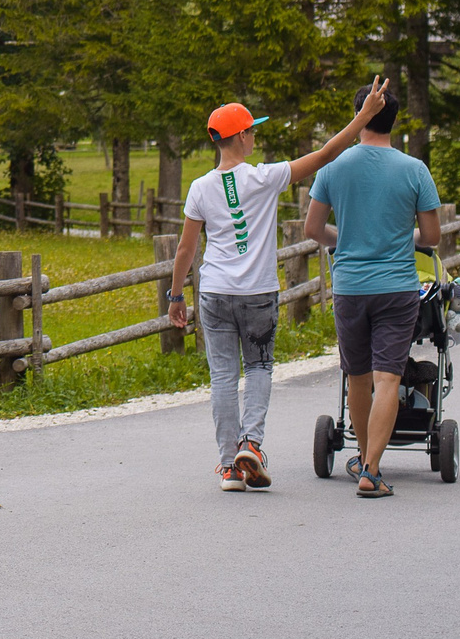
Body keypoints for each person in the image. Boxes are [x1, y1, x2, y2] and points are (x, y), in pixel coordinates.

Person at [167, 79, 392, 492]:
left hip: (214, 292)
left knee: (222, 377)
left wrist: (177, 295)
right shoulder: (265, 178)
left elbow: (186, 248)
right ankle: (251, 443)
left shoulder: (200, 188)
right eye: (253, 131)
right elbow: (326, 155)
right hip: (256, 294)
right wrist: (364, 117)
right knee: (258, 368)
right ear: (241, 137)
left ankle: (228, 468)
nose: (255, 137)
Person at [301, 80, 441, 500]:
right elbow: (431, 236)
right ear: (394, 120)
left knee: (356, 377)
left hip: (350, 287)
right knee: (388, 378)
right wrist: (398, 234)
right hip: (396, 287)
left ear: (359, 117)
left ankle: (363, 456)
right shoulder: (414, 170)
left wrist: (347, 239)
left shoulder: (333, 168)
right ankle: (372, 471)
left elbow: (312, 229)